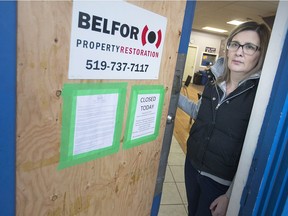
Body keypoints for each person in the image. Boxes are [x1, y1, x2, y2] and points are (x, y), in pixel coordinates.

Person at [178, 21, 271, 216]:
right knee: (191, 211)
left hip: (220, 182)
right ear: (228, 48)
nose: (239, 52)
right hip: (193, 165)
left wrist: (230, 195)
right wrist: (173, 96)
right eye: (234, 44)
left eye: (249, 47)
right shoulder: (214, 82)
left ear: (260, 55)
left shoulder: (260, 97)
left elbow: (253, 153)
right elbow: (199, 113)